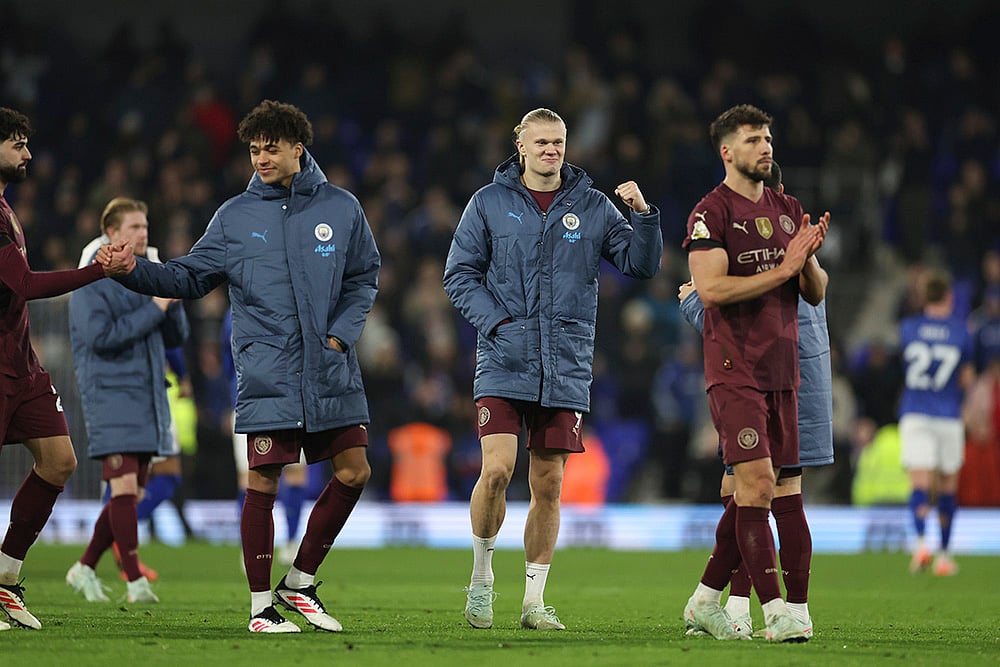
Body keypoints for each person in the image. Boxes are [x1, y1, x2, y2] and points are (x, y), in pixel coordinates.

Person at [108, 99, 380, 634]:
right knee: (263, 483)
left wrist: (339, 338)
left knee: (355, 471)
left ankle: (299, 583)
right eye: (253, 149)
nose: (260, 158)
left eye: (270, 148)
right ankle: (260, 608)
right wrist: (134, 270)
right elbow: (187, 277)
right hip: (268, 373)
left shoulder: (342, 207)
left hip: (329, 369)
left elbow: (364, 276)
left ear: (297, 148)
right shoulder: (234, 217)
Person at [443, 107, 663, 631]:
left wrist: (644, 216)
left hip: (563, 366)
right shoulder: (489, 203)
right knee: (496, 470)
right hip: (503, 359)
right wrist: (497, 324)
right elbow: (458, 275)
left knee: (548, 485)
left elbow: (641, 265)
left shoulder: (592, 206)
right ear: (520, 145)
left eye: (559, 142)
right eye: (541, 142)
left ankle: (533, 603)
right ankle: (480, 581)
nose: (551, 150)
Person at [679, 104, 828, 643]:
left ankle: (703, 602)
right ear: (727, 151)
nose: (765, 147)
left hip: (783, 369)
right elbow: (712, 290)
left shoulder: (789, 207)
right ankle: (775, 613)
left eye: (767, 138)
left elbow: (814, 292)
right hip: (734, 365)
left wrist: (806, 259)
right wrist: (782, 268)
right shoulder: (710, 213)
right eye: (753, 140)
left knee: (764, 490)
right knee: (760, 484)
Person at [0, 106, 130, 630]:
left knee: (59, 461)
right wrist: (95, 271)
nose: (27, 153)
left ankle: (5, 580)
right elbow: (26, 285)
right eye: (16, 143)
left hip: (21, 366)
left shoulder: (5, 208)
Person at [64, 196, 189, 604]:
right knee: (122, 488)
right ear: (111, 233)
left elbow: (176, 338)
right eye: (134, 227)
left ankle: (83, 568)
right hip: (111, 393)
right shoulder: (90, 280)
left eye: (146, 226)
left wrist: (170, 302)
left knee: (131, 494)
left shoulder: (148, 275)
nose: (143, 233)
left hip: (148, 394)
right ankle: (135, 581)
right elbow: (101, 338)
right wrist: (154, 308)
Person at [898, 270, 975, 576]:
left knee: (919, 482)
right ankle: (944, 555)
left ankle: (919, 546)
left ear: (923, 298)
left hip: (915, 411)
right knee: (946, 486)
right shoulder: (962, 331)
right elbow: (966, 378)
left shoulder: (908, 328)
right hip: (947, 414)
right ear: (949, 297)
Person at [221, 307, 309, 567]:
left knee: (283, 472)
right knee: (253, 476)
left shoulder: (234, 312)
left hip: (277, 400)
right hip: (261, 400)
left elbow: (228, 362)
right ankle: (264, 546)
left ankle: (288, 543)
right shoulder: (289, 306)